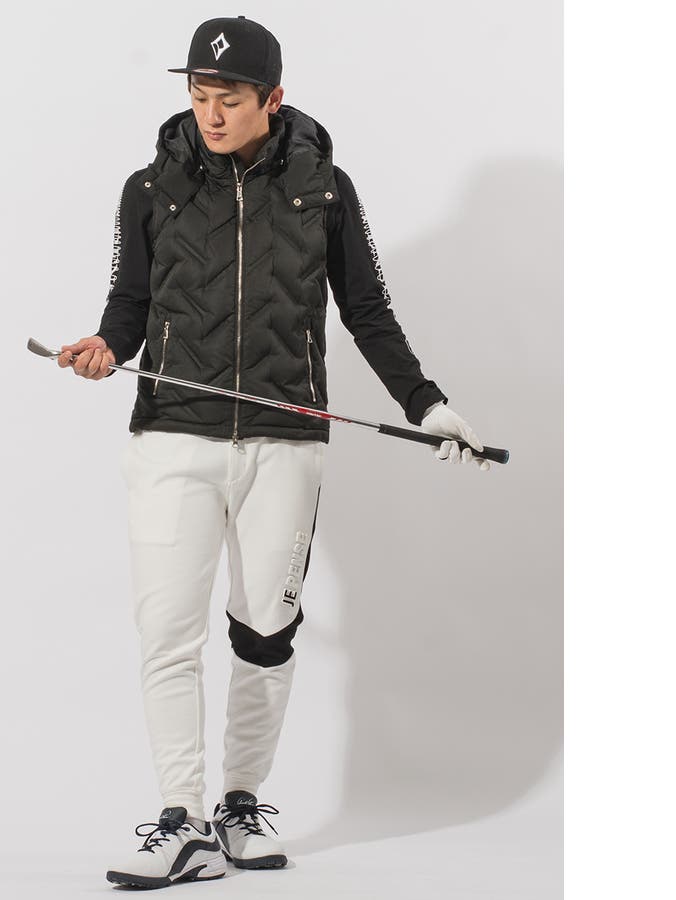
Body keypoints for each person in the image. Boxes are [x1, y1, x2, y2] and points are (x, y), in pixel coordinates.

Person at [58, 16, 491, 889]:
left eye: (229, 99)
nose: (211, 115)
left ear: (273, 98)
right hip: (172, 432)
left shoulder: (324, 188)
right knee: (168, 632)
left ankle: (239, 805)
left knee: (265, 631)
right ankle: (181, 822)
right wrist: (105, 345)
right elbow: (129, 303)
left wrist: (428, 405)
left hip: (286, 440)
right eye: (199, 97)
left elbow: (366, 310)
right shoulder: (150, 186)